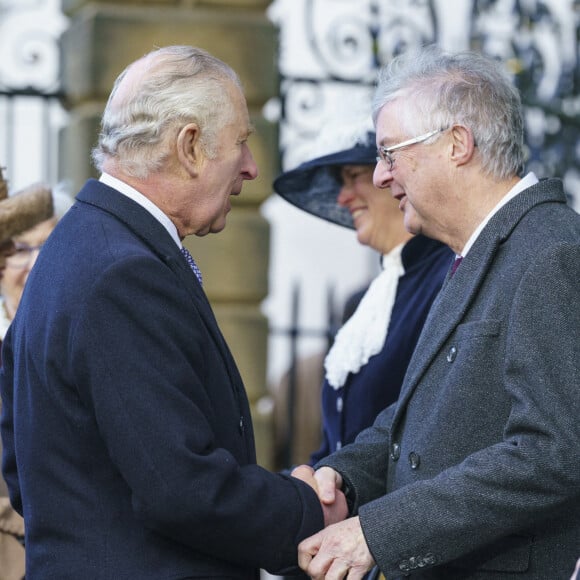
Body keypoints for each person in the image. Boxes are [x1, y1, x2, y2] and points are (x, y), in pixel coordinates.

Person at [0, 45, 347, 579]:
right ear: (189, 147)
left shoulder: (77, 243)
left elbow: (22, 466)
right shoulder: (122, 273)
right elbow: (182, 489)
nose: (251, 168)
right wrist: (310, 509)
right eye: (241, 143)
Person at [293, 45, 580, 579]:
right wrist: (339, 478)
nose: (380, 177)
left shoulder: (551, 252)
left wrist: (378, 532)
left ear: (456, 144)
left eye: (389, 154)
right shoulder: (475, 253)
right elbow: (420, 420)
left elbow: (552, 453)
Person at [273, 129, 453, 466]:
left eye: (354, 177)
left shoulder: (446, 275)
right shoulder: (373, 296)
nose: (343, 197)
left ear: (395, 176)